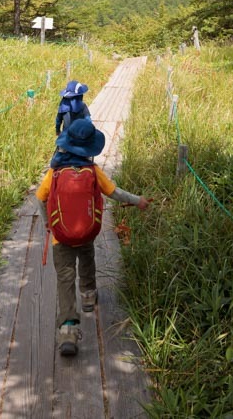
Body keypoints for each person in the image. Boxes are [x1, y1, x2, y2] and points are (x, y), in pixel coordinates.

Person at [35, 116, 150, 357]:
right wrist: (138, 200)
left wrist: (49, 224)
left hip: (60, 238)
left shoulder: (54, 172)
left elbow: (40, 197)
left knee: (65, 280)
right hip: (86, 232)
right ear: (89, 149)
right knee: (87, 261)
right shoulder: (93, 171)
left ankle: (68, 330)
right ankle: (88, 295)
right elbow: (115, 193)